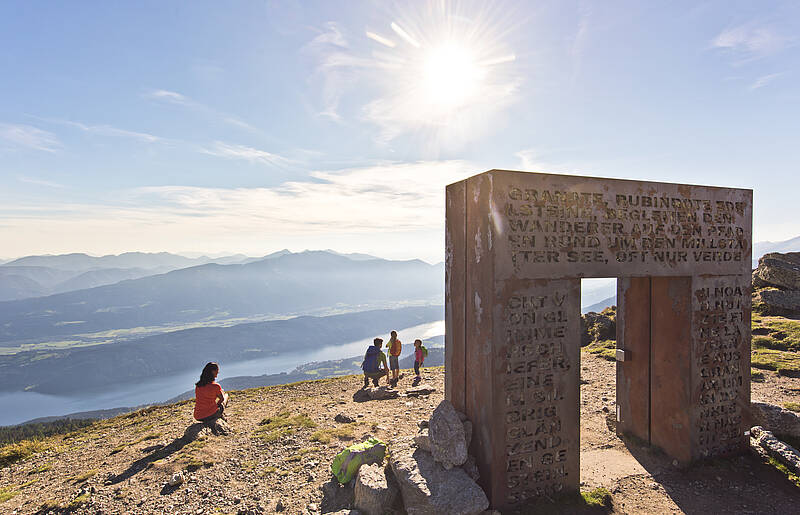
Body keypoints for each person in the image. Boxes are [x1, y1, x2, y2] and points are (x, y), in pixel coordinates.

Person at [194, 362, 229, 429]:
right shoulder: (215, 386)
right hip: (211, 414)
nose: (217, 374)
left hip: (198, 416)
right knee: (226, 396)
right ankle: (219, 416)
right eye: (217, 371)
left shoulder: (198, 386)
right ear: (213, 371)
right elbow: (221, 399)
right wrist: (217, 405)